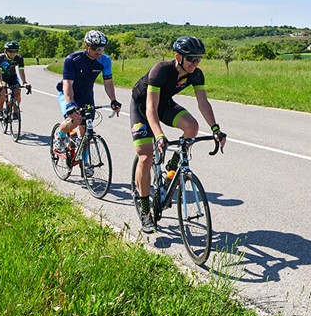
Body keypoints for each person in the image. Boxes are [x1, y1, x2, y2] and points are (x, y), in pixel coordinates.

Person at [130, 36, 226, 233]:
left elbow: (203, 103)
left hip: (164, 103)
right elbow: (150, 109)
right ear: (178, 57)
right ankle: (145, 209)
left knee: (192, 127)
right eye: (191, 59)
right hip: (142, 106)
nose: (195, 63)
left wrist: (215, 128)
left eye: (199, 59)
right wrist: (159, 135)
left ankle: (171, 170)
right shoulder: (161, 70)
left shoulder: (196, 74)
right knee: (146, 156)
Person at [52, 30, 122, 153]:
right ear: (87, 46)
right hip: (67, 93)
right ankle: (61, 135)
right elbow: (67, 83)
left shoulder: (105, 61)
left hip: (86, 95)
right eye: (95, 48)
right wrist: (70, 104)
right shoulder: (73, 59)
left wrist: (113, 100)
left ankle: (86, 164)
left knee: (86, 130)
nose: (99, 52)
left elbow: (108, 82)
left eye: (102, 48)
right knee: (75, 120)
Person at [0, 41, 31, 119]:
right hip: (1, 77)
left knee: (17, 91)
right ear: (6, 51)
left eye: (15, 51)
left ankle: (15, 111)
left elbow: (21, 71)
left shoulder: (19, 58)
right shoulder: (0, 58)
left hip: (12, 77)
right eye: (10, 51)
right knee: (2, 89)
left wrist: (24, 82)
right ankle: (0, 112)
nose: (13, 53)